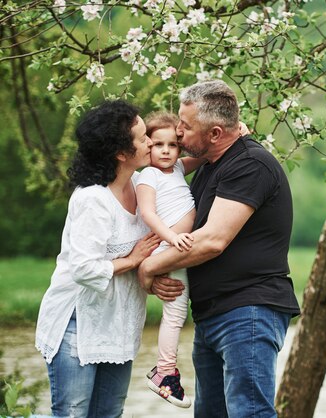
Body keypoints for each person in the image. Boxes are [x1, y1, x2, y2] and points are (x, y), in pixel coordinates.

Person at [138, 80, 301, 418]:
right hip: (213, 314)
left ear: (214, 133)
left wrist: (148, 267)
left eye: (185, 126)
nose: (178, 133)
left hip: (248, 310)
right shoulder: (212, 164)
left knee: (249, 413)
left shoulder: (250, 164)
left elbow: (213, 240)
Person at [35, 100, 160, 417]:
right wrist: (133, 261)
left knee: (109, 413)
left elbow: (180, 157)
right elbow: (85, 269)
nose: (151, 142)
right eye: (143, 137)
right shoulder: (93, 198)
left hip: (118, 325)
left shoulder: (139, 184)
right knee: (73, 413)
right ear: (121, 153)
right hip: (78, 324)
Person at [136, 111, 205, 409]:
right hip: (168, 248)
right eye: (157, 144)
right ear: (147, 147)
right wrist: (171, 237)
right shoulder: (147, 176)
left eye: (172, 145)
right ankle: (164, 372)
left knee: (178, 312)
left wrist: (238, 134)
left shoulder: (176, 168)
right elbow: (149, 213)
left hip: (179, 249)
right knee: (175, 316)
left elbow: (202, 158)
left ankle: (165, 370)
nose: (165, 151)